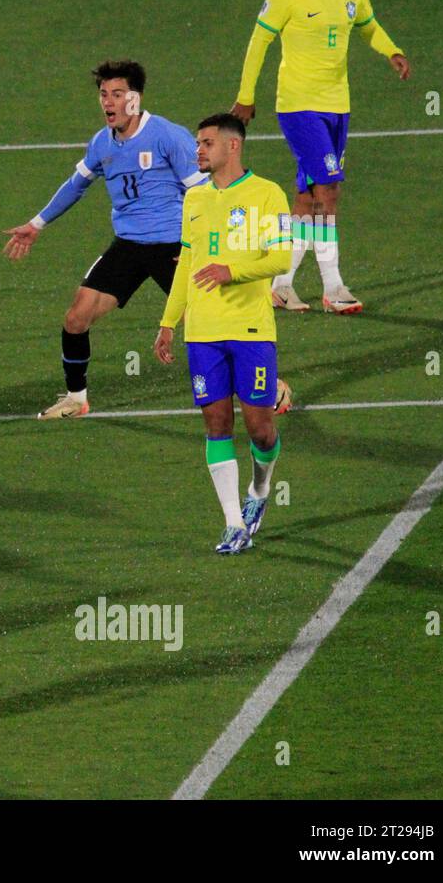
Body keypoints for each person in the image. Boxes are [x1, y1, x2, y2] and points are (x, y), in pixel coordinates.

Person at [2, 61, 208, 420]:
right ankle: (76, 398)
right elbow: (76, 185)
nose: (108, 102)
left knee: (207, 323)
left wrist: (202, 247)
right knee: (76, 317)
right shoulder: (102, 144)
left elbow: (204, 193)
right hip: (128, 246)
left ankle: (265, 385)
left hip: (174, 246)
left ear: (135, 98)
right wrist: (36, 224)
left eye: (117, 94)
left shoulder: (167, 136)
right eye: (103, 95)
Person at [232, 0, 410, 314]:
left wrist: (391, 50)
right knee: (328, 190)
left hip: (337, 106)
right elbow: (258, 42)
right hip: (299, 106)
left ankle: (280, 286)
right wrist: (246, 96)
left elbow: (369, 25)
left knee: (307, 196)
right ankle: (333, 287)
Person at [154, 115, 292, 555]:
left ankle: (260, 490)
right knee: (216, 424)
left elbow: (280, 258)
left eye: (207, 143)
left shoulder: (267, 194)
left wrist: (231, 271)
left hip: (251, 328)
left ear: (233, 147)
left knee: (259, 429)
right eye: (198, 143)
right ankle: (233, 523)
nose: (199, 151)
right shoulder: (193, 199)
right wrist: (168, 322)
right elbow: (187, 265)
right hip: (203, 332)